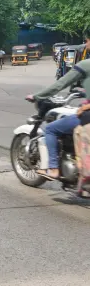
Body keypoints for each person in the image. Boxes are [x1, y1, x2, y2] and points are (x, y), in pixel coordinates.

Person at [26, 34, 90, 180]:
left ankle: (53, 168)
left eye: (87, 41)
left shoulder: (85, 65)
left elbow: (60, 84)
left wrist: (37, 96)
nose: (85, 44)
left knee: (50, 129)